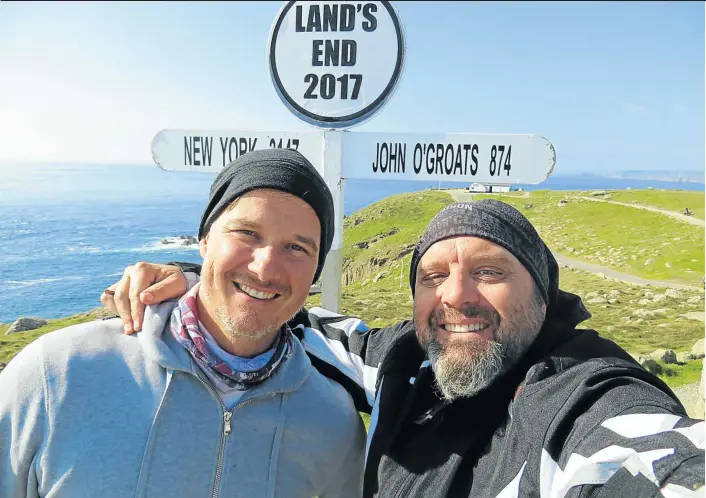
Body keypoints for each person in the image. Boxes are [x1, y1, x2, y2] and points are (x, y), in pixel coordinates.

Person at [102, 199, 705, 498]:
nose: (457, 298)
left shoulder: (581, 390)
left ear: (543, 295)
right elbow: (308, 323)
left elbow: (650, 455)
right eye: (433, 277)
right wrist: (199, 281)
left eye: (490, 272)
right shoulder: (409, 361)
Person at [0, 148, 366, 498]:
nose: (265, 267)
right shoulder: (56, 373)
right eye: (247, 234)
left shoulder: (332, 418)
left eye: (297, 248)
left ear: (315, 271)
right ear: (204, 241)